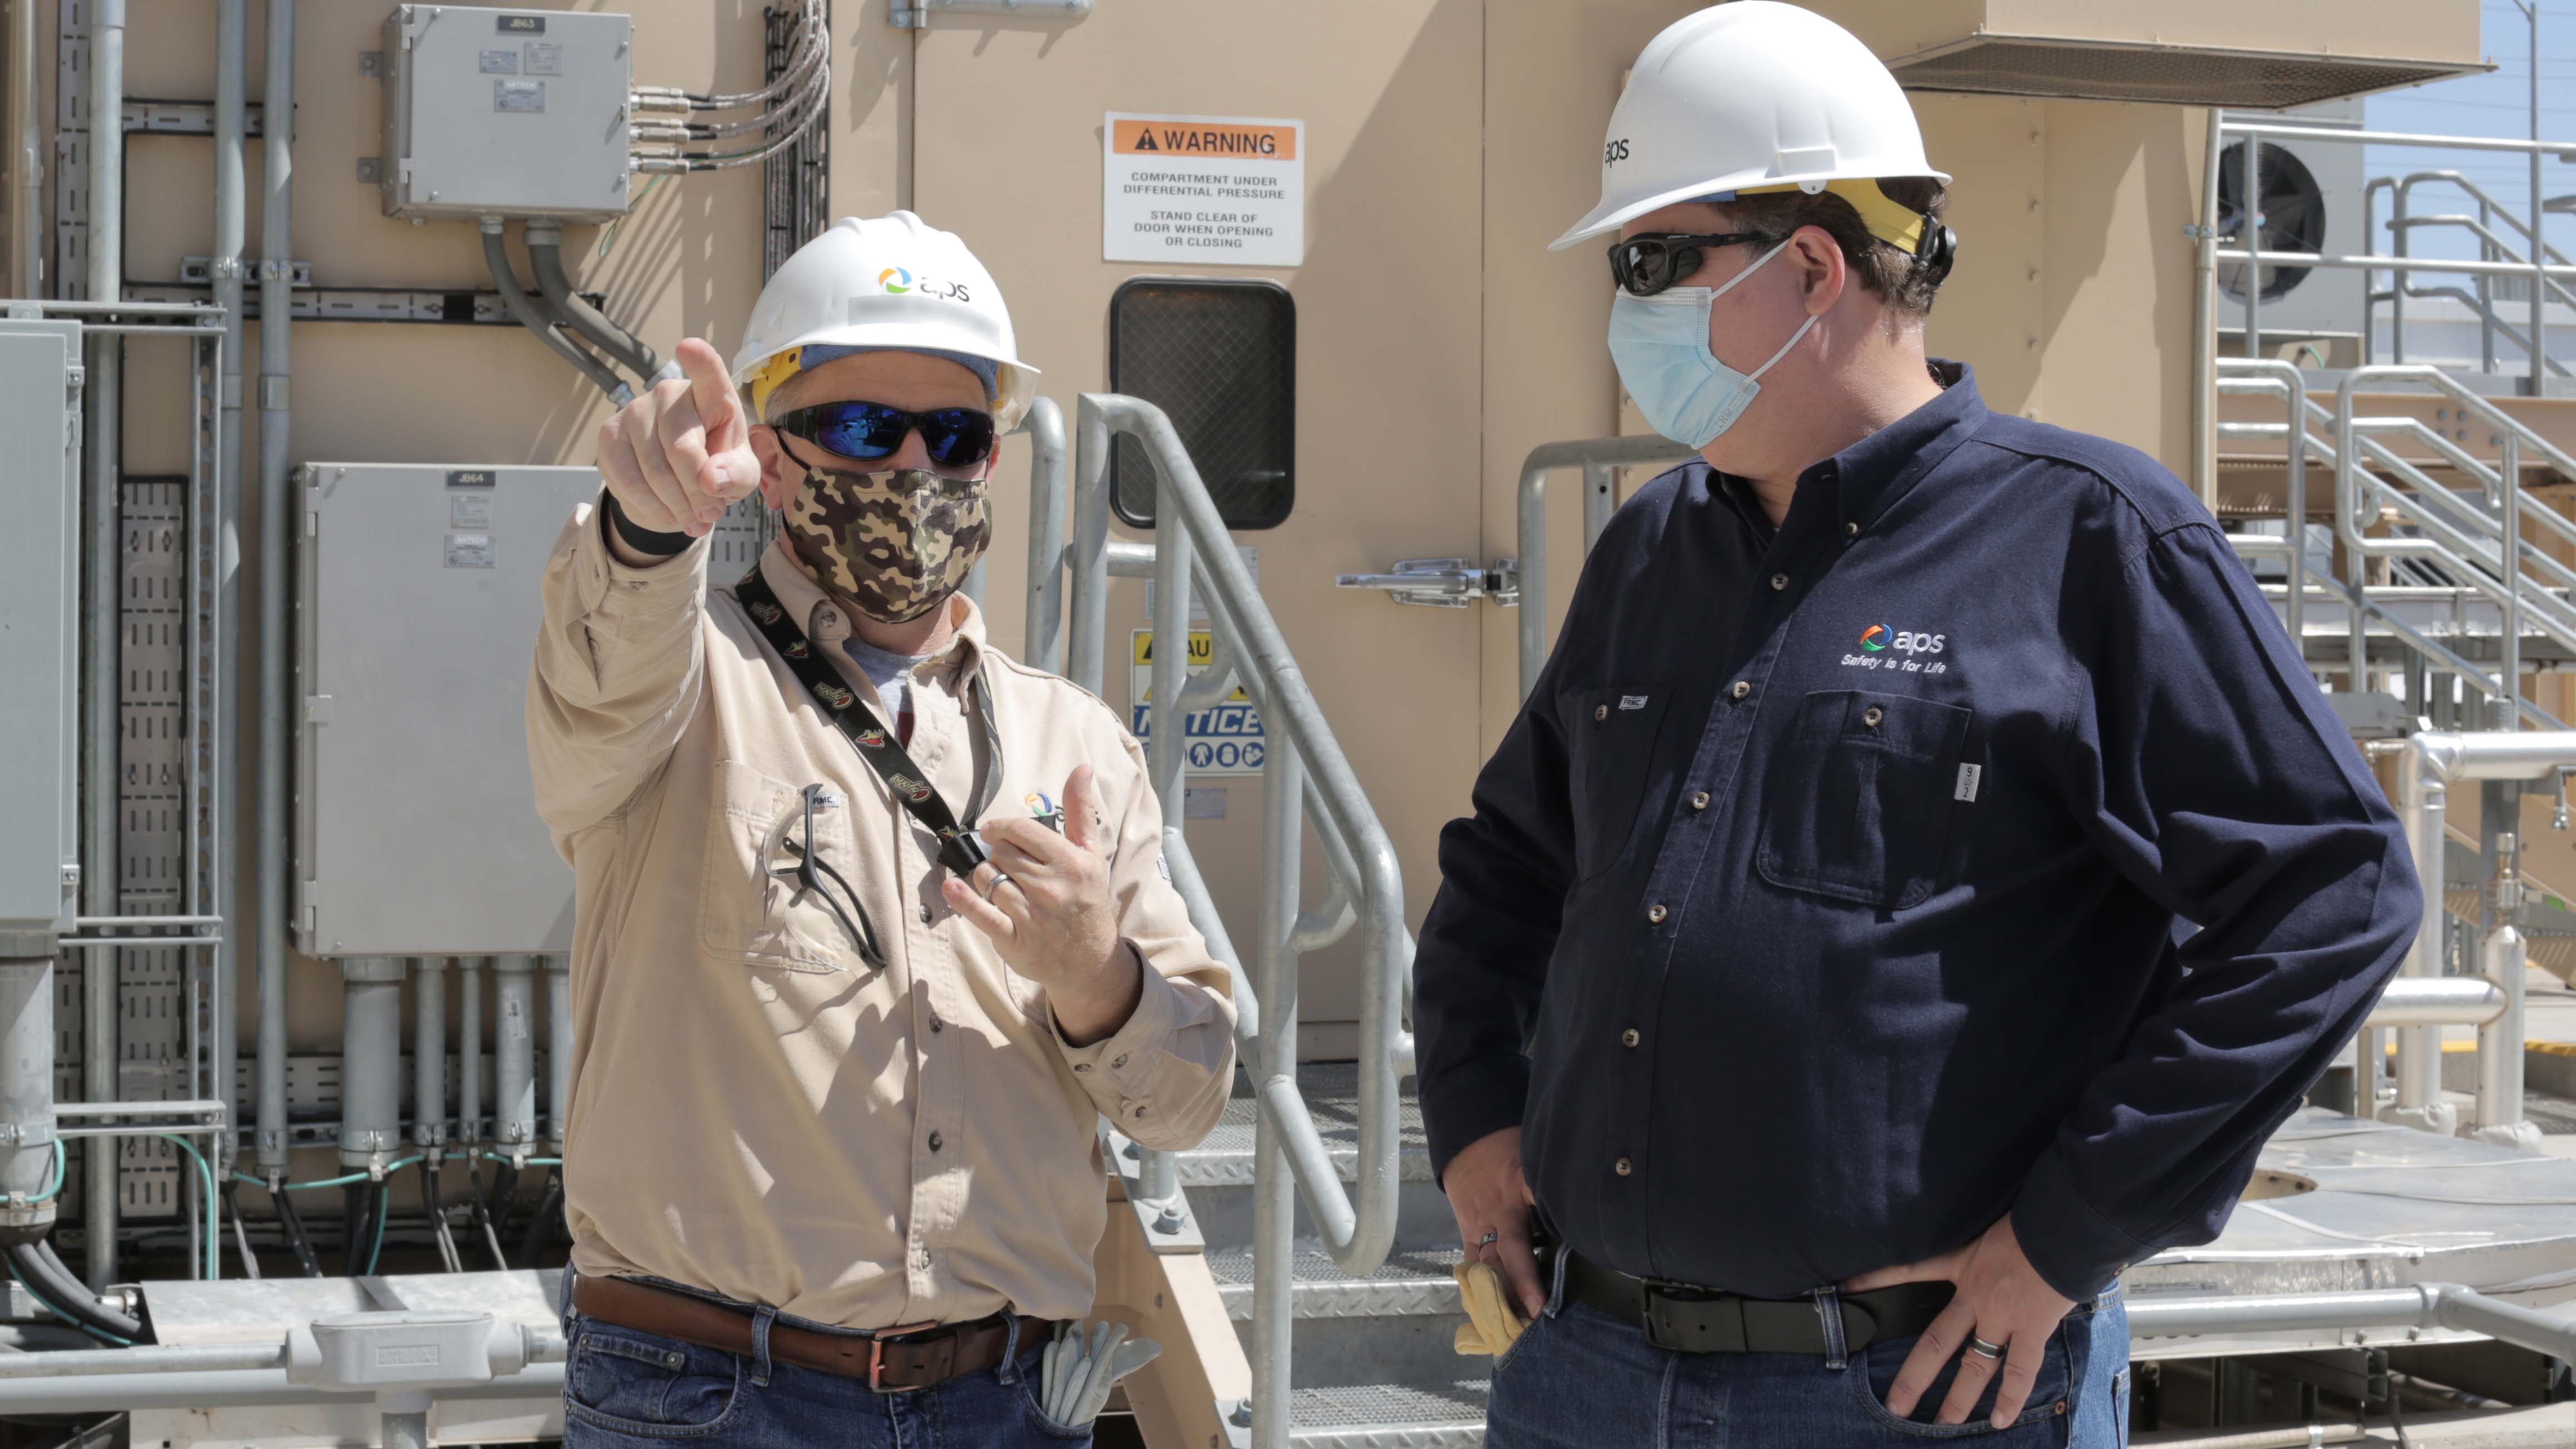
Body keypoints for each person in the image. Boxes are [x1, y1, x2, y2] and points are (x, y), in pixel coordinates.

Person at [1413, 6, 2418, 1446]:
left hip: (1907, 1393)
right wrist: (1468, 1118)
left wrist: (2065, 1235)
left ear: (1809, 265)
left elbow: (2325, 891)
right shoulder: (1650, 550)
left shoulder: (2088, 539)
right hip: (1582, 1366)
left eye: (1649, 263)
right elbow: (1502, 866)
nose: (1622, 310)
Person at [525, 210, 1237, 1447]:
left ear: (992, 463)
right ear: (771, 449)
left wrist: (1098, 982)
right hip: (710, 1399)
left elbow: (1184, 1101)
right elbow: (602, 668)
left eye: (952, 435)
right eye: (862, 428)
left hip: (1008, 1401)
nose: (912, 468)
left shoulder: (1074, 743)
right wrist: (643, 532)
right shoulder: (684, 683)